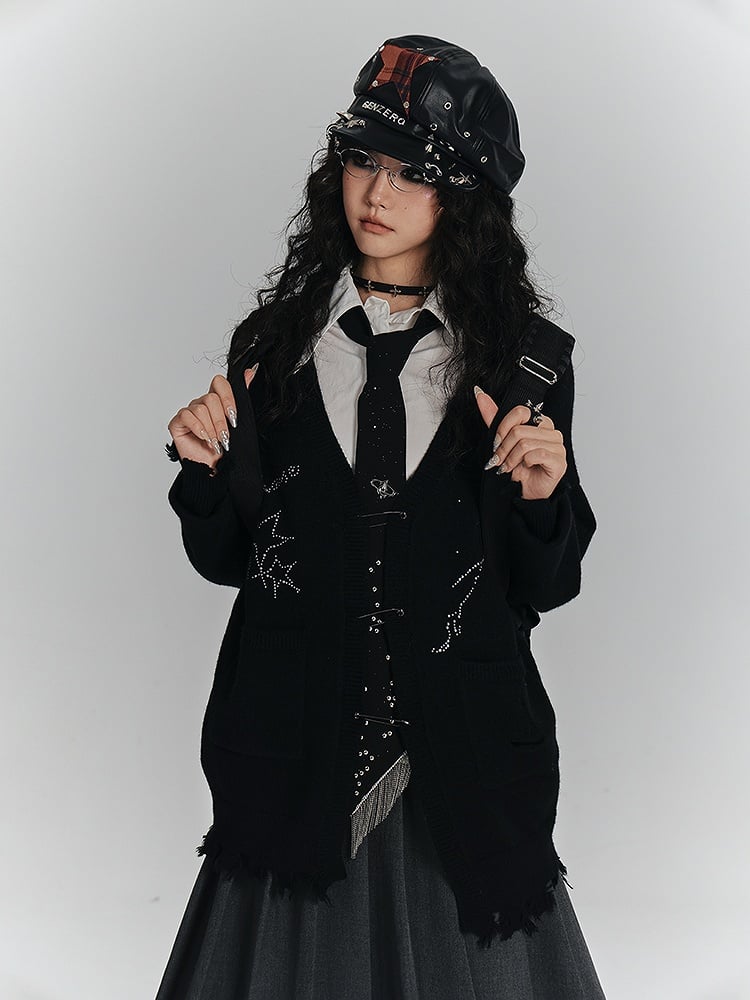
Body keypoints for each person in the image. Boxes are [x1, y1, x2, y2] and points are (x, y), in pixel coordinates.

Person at [156, 34, 606, 1000]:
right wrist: (204, 474)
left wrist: (542, 494)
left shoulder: (523, 364)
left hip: (468, 754)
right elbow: (232, 560)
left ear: (464, 199)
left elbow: (545, 586)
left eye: (415, 173)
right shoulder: (274, 348)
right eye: (364, 160)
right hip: (290, 742)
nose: (378, 193)